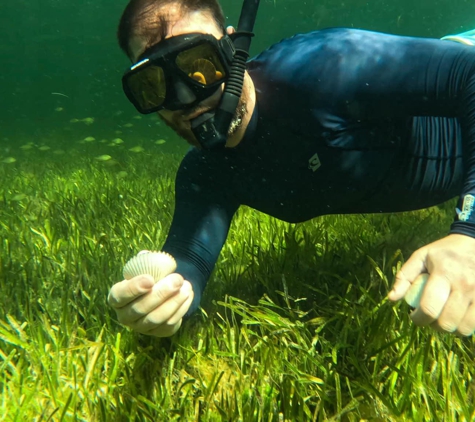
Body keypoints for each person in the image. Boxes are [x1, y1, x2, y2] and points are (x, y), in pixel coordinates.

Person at [108, 0, 475, 338]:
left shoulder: (327, 68)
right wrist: (164, 303)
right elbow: (188, 264)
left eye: (198, 65)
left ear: (231, 50)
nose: (187, 98)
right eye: (154, 84)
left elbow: (468, 75)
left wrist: (468, 234)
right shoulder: (206, 174)